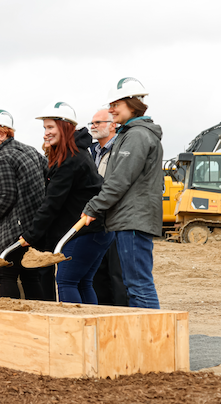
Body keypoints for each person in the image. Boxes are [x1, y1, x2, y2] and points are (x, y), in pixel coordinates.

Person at [21, 102, 114, 304]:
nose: (46, 133)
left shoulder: (71, 160)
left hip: (84, 232)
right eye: (44, 128)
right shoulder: (75, 155)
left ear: (65, 128)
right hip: (95, 231)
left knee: (66, 281)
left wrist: (31, 235)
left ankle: (72, 330)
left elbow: (52, 202)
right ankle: (88, 329)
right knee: (83, 282)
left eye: (50, 127)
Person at [83, 77, 163, 309]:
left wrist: (93, 207)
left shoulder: (137, 136)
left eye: (115, 104)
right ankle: (144, 340)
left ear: (131, 104)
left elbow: (118, 180)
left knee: (138, 285)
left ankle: (152, 342)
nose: (111, 110)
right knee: (133, 284)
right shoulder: (130, 134)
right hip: (129, 218)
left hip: (133, 220)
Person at [0, 110, 47, 300]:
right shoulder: (31, 150)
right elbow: (49, 177)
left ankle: (11, 320)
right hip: (35, 226)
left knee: (7, 275)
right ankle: (37, 318)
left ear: (3, 133)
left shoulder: (2, 158)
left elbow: (5, 197)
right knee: (30, 276)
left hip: (14, 228)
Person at [89, 110, 128, 306]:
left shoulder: (121, 151)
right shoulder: (94, 152)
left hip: (116, 220)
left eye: (98, 122)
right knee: (99, 274)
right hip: (98, 222)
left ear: (113, 125)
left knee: (117, 276)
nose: (92, 126)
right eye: (92, 122)